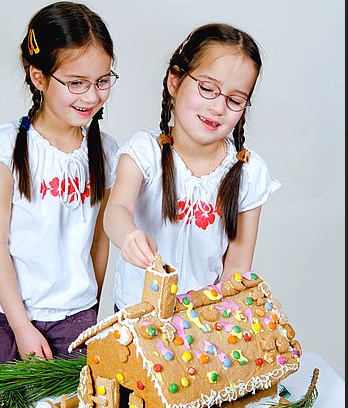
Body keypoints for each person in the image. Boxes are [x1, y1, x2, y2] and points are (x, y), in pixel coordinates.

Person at [0, 1, 119, 363]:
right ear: (39, 77)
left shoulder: (107, 152)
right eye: (76, 83)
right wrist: (21, 326)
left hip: (73, 317)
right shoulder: (6, 147)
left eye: (102, 81)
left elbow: (100, 240)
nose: (92, 95)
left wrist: (89, 307)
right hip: (2, 316)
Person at [104, 23, 280, 311]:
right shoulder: (144, 151)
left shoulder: (248, 172)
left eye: (235, 100)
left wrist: (221, 320)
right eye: (208, 88)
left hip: (201, 321)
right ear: (174, 81)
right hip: (137, 312)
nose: (218, 108)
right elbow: (116, 210)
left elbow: (237, 264)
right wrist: (128, 236)